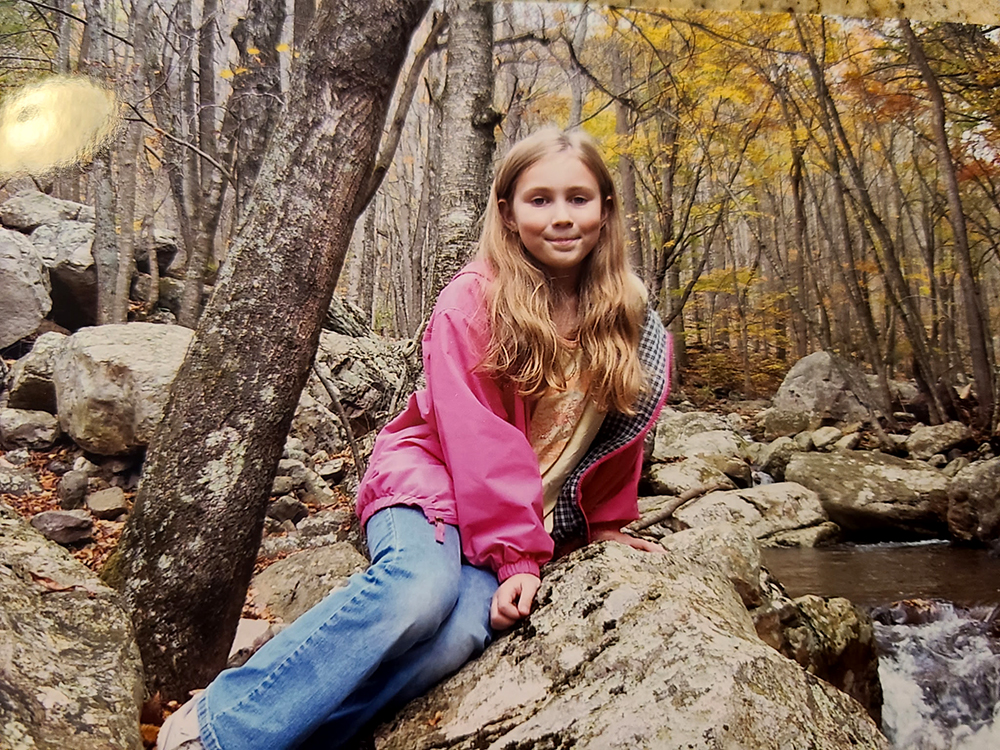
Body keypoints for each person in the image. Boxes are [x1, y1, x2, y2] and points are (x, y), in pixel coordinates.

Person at [156, 126, 672, 750]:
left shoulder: (628, 313)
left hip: (510, 515)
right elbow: (479, 443)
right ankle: (219, 727)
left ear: (606, 209)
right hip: (431, 482)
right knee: (420, 592)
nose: (561, 217)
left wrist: (608, 522)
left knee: (464, 630)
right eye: (539, 200)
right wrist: (516, 556)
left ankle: (307, 739)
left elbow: (620, 430)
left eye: (578, 198)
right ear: (507, 213)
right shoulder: (474, 301)